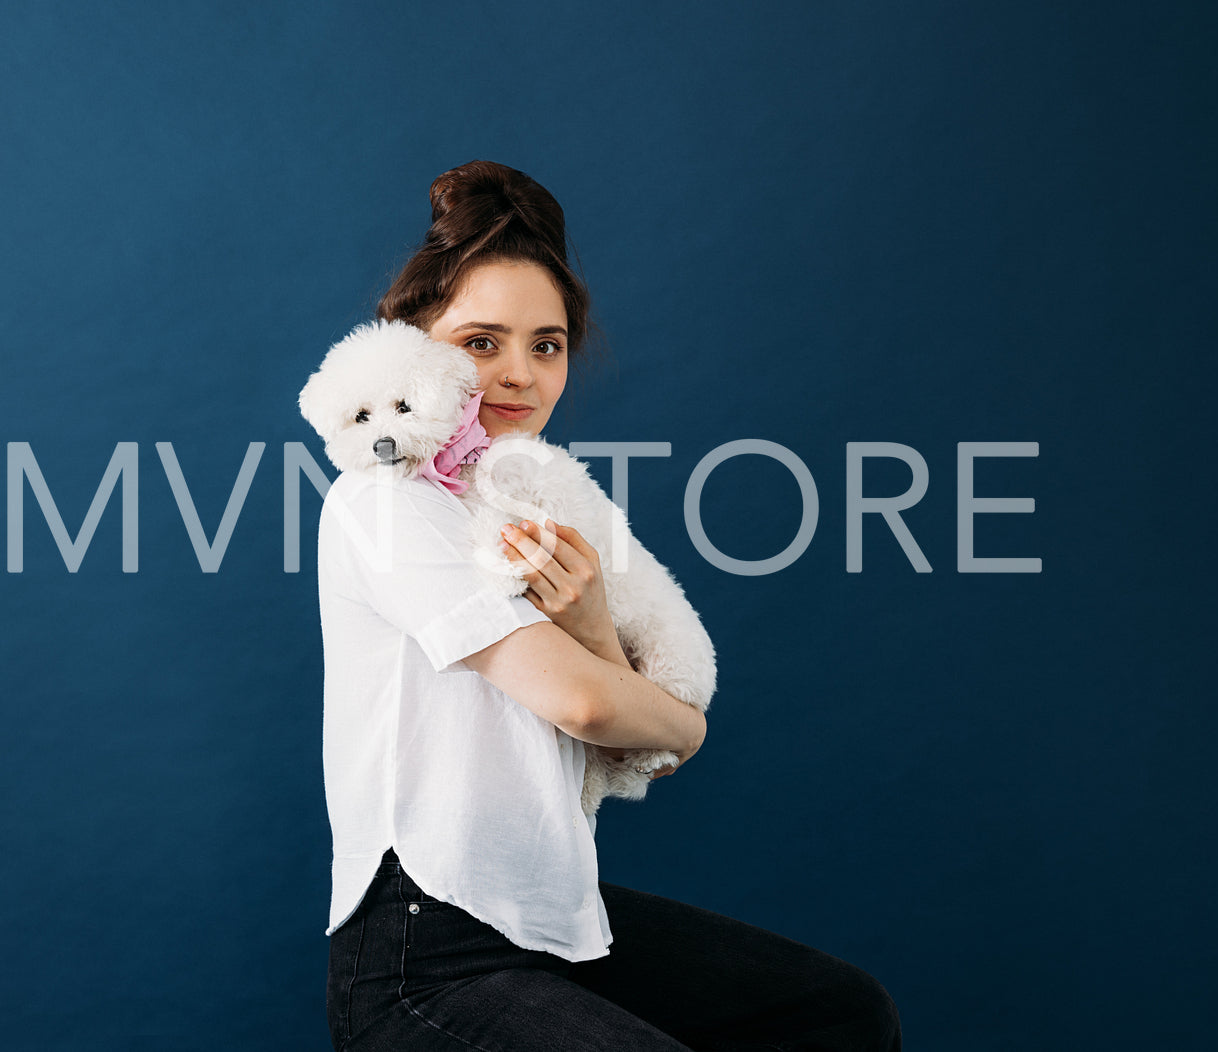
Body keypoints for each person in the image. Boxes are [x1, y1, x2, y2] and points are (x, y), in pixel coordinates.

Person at [315, 160, 901, 1051]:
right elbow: (597, 709)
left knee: (838, 1012)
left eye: (545, 345)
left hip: (548, 912)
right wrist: (681, 724)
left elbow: (636, 738)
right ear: (415, 346)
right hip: (425, 947)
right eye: (481, 342)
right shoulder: (388, 498)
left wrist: (592, 628)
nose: (519, 375)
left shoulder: (525, 500)